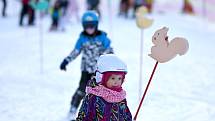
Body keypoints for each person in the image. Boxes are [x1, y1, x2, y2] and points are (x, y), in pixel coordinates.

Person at [59, 10, 114, 120]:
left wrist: (111, 61)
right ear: (83, 26)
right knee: (82, 89)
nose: (89, 28)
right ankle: (73, 108)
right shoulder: (82, 39)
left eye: (92, 26)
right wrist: (66, 61)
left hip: (99, 71)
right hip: (85, 69)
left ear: (96, 25)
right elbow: (76, 51)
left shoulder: (103, 38)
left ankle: (99, 113)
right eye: (86, 26)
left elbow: (110, 50)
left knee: (99, 92)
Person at [76, 54, 132, 121]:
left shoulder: (120, 97)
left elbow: (126, 115)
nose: (116, 82)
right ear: (102, 78)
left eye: (119, 78)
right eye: (113, 78)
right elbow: (84, 116)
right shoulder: (93, 97)